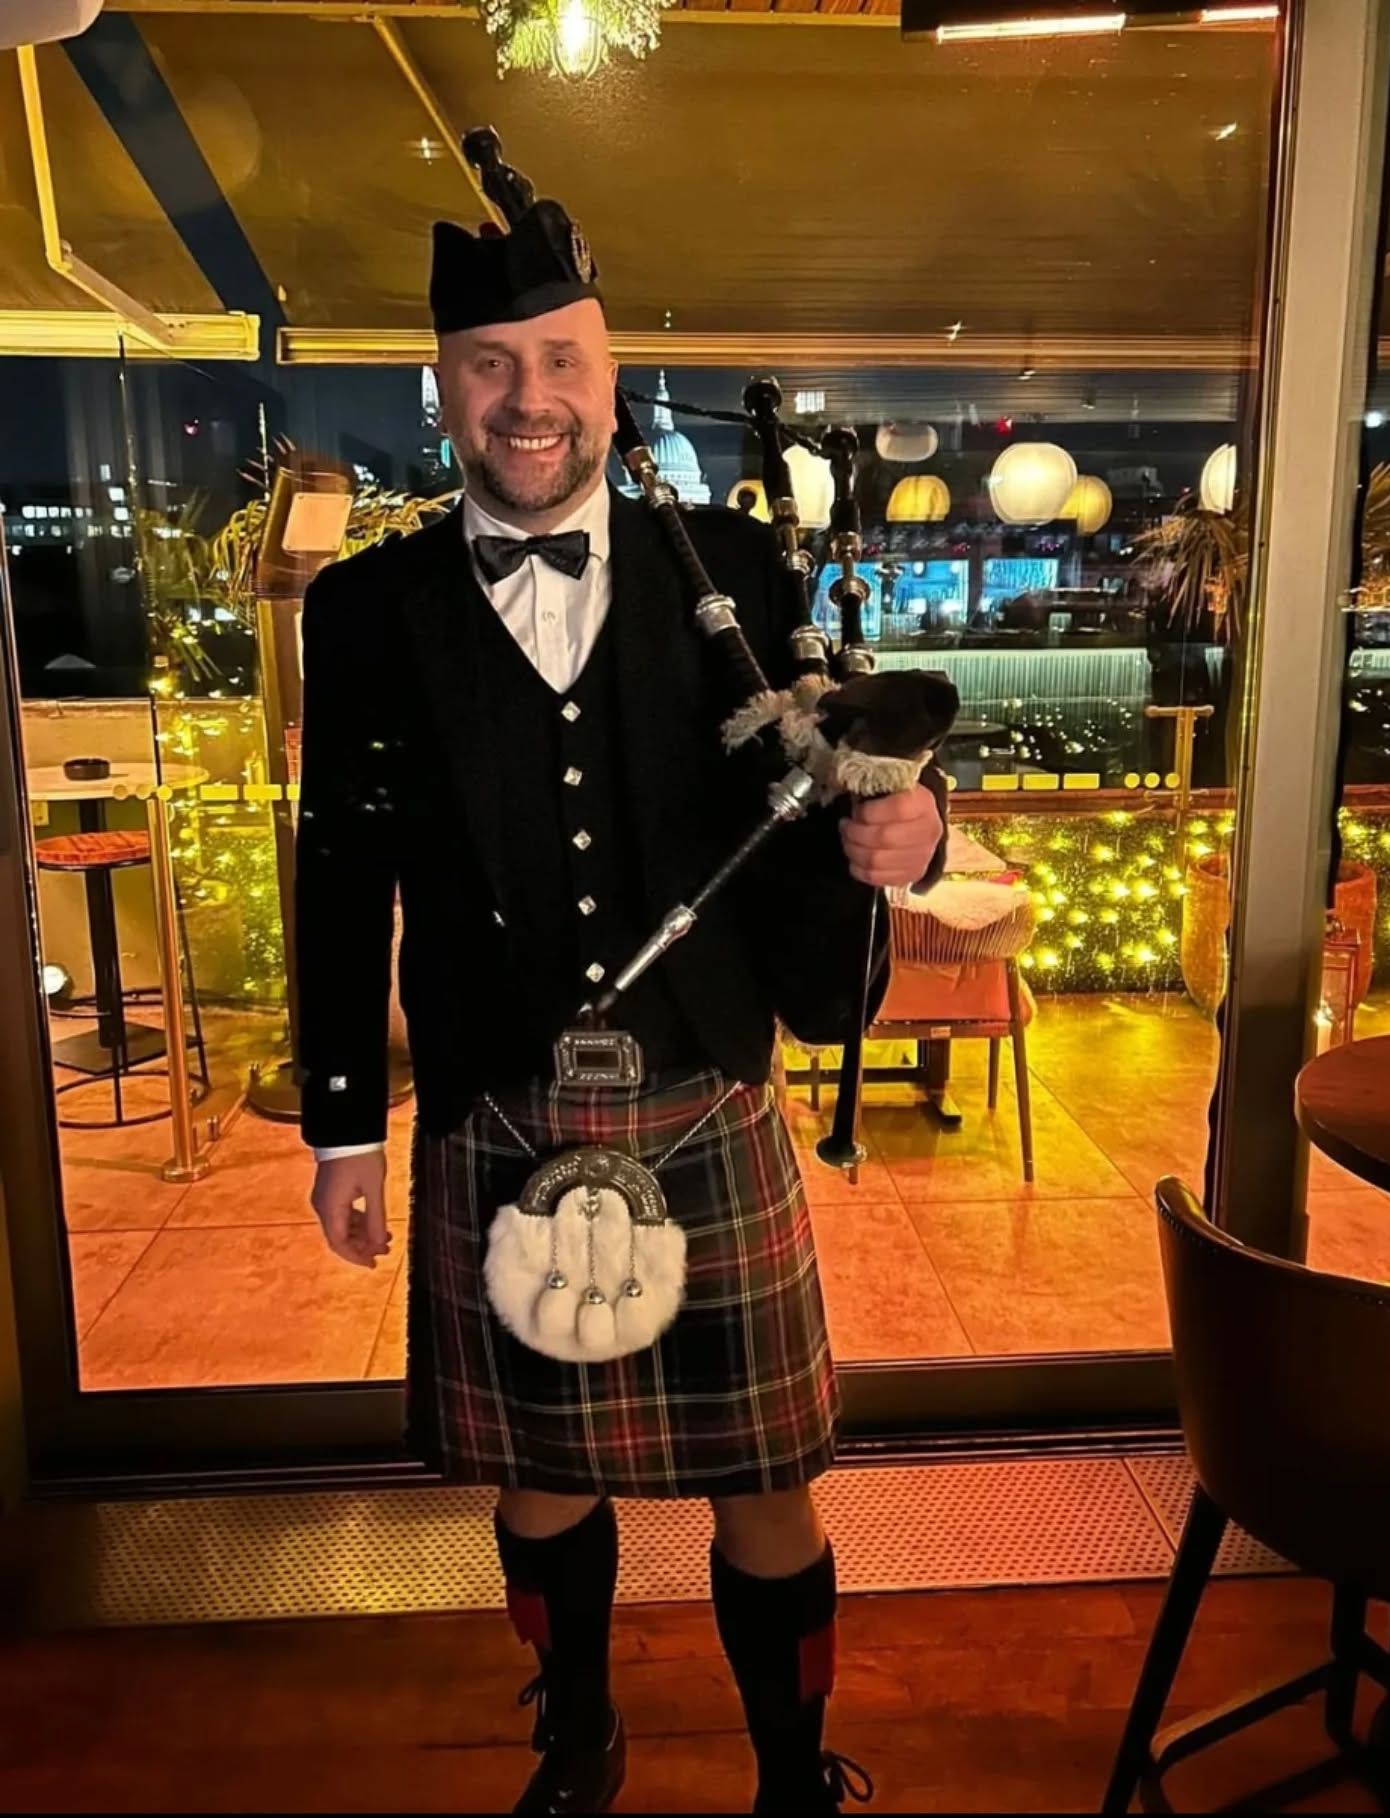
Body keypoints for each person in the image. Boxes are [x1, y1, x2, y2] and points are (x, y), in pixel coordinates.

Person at [296, 189, 945, 1816]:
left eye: (561, 358)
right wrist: (337, 1123)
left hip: (701, 1087)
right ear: (441, 388)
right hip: (495, 1097)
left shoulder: (726, 566)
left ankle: (791, 1775)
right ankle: (576, 1731)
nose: (530, 396)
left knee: (768, 1484)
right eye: (490, 364)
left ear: (610, 370)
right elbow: (341, 865)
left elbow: (831, 777)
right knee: (534, 1480)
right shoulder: (367, 611)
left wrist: (912, 832)